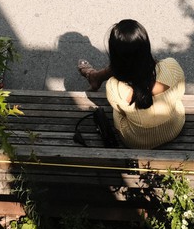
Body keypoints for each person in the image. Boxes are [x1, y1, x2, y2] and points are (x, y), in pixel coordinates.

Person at [78, 20, 186, 149]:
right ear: (146, 45)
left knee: (121, 110)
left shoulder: (115, 86)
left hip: (137, 141)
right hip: (173, 128)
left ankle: (95, 76)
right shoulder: (171, 67)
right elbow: (179, 93)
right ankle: (96, 76)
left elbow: (120, 111)